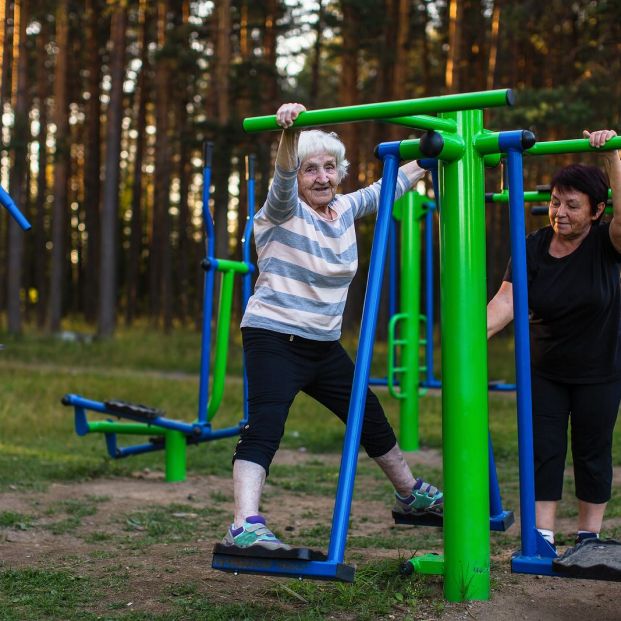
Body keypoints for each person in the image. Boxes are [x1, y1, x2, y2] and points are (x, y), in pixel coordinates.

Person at [220, 103, 443, 552]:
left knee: (368, 413)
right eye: (310, 170)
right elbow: (281, 180)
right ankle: (244, 525)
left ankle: (410, 494)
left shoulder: (341, 209)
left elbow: (386, 188)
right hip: (274, 336)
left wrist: (429, 156)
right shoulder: (281, 212)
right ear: (297, 176)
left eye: (329, 168)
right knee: (266, 425)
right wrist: (288, 133)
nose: (321, 177)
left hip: (322, 344)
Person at [487, 129, 621, 548]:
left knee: (592, 451)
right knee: (543, 448)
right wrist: (471, 336)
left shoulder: (608, 243)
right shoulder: (532, 246)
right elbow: (506, 302)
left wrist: (613, 154)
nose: (559, 212)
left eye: (572, 205)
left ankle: (588, 537)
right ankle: (541, 535)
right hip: (544, 368)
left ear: (597, 210)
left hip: (600, 368)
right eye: (555, 202)